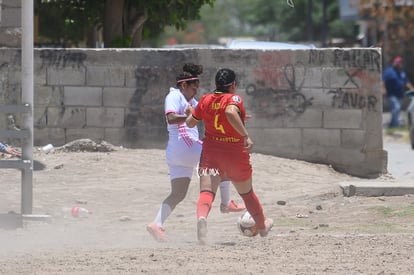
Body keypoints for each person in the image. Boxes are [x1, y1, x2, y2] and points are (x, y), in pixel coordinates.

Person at [146, 63, 245, 242]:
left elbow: (209, 114)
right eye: (193, 88)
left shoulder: (191, 101)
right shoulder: (174, 95)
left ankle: (156, 224)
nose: (195, 92)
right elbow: (171, 118)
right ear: (183, 85)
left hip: (177, 153)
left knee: (178, 193)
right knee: (222, 153)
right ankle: (226, 202)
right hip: (184, 144)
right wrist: (191, 116)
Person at [186, 68, 273, 244]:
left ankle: (202, 218)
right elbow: (229, 112)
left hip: (212, 152)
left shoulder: (205, 100)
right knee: (247, 194)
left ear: (216, 84)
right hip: (234, 154)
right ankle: (262, 228)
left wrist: (189, 113)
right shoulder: (234, 98)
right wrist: (245, 135)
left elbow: (190, 123)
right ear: (232, 85)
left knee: (207, 192)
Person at [382, 56, 414, 128]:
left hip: (399, 95)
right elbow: (382, 80)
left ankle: (393, 124)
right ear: (394, 63)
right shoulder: (389, 71)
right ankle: (395, 124)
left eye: (400, 63)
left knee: (397, 109)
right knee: (396, 108)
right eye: (397, 63)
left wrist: (412, 88)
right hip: (391, 94)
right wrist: (383, 89)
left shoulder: (402, 73)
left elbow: (406, 82)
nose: (398, 65)